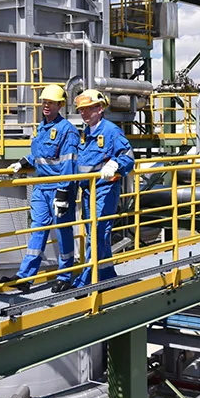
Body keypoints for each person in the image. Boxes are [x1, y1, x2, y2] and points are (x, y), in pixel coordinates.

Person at [2, 84, 79, 293]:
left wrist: (63, 192)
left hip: (59, 188)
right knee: (38, 230)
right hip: (41, 187)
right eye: (45, 102)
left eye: (51, 103)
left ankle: (65, 275)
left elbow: (69, 164)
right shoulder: (42, 127)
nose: (46, 106)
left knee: (63, 231)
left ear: (60, 105)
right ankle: (25, 276)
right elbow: (40, 155)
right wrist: (23, 162)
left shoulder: (67, 131)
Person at [71, 89, 135, 288]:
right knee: (95, 232)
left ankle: (86, 280)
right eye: (81, 110)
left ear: (100, 109)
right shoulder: (85, 133)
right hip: (87, 191)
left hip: (105, 190)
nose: (84, 113)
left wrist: (115, 164)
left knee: (98, 233)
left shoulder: (110, 131)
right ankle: (107, 274)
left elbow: (128, 157)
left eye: (88, 109)